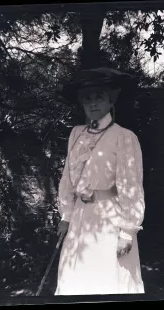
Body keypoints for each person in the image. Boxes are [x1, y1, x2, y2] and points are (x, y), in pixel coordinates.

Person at [54, 67, 145, 295]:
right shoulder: (76, 134)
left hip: (109, 218)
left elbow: (131, 185)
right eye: (87, 99)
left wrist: (127, 231)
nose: (93, 103)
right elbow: (67, 177)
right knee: (76, 276)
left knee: (108, 278)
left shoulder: (123, 137)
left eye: (99, 97)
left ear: (110, 100)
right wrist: (66, 215)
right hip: (80, 218)